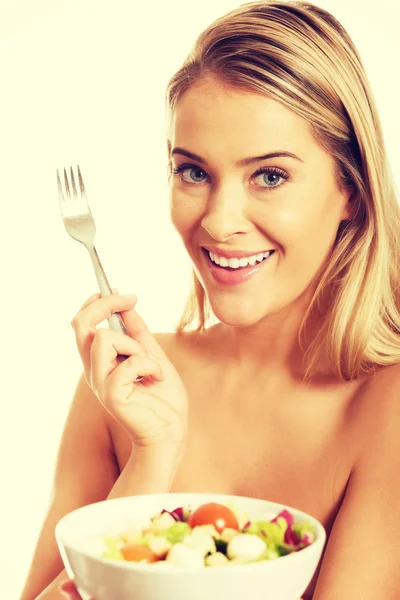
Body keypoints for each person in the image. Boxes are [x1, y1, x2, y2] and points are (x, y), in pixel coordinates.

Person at [20, 1, 400, 599]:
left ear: (351, 189)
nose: (220, 223)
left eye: (269, 176)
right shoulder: (124, 385)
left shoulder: (387, 404)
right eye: (193, 172)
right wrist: (151, 459)